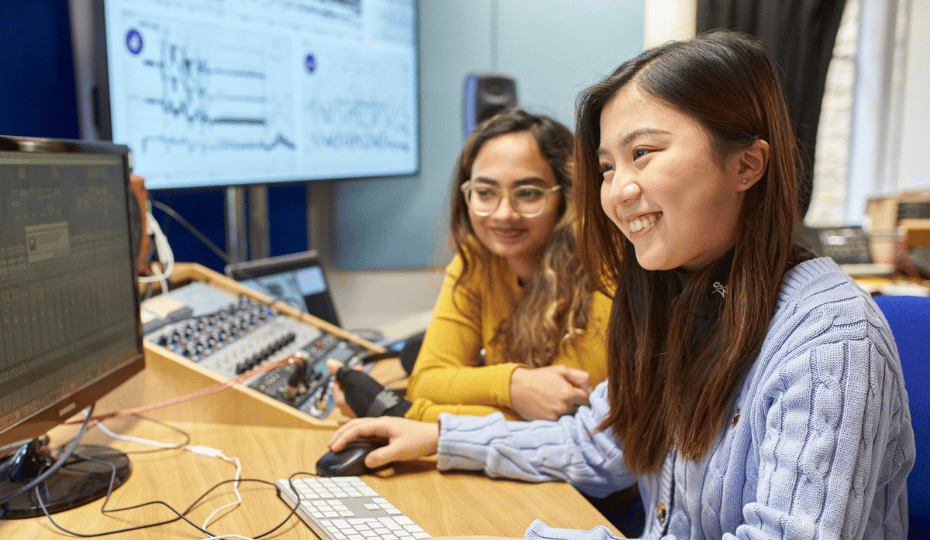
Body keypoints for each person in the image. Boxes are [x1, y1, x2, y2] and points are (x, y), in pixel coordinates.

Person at [326, 30, 916, 540]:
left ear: (746, 165)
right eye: (608, 167)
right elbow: (601, 444)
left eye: (644, 154)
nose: (616, 191)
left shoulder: (830, 340)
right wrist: (436, 438)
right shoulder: (679, 295)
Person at [328, 107, 613, 423]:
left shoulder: (604, 268)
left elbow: (569, 414)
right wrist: (511, 386)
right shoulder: (477, 260)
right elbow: (426, 382)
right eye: (485, 192)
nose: (504, 213)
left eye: (529, 193)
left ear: (567, 195)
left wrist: (407, 415)